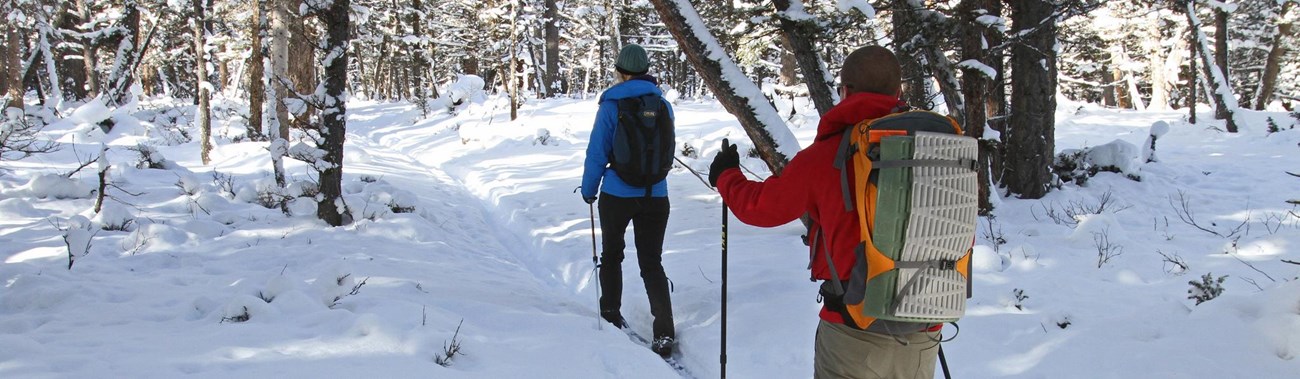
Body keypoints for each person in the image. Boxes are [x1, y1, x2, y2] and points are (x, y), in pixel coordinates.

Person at [708, 45, 940, 378]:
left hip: (852, 330)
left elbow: (761, 208)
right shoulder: (930, 148)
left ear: (845, 91)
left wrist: (726, 176)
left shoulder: (829, 154)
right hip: (922, 326)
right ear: (899, 91)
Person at [579, 43, 676, 357]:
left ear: (620, 71)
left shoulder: (611, 106)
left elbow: (597, 152)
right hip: (656, 194)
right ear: (646, 71)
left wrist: (589, 189)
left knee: (612, 254)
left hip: (617, 194)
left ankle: (610, 313)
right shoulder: (663, 106)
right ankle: (664, 331)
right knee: (652, 262)